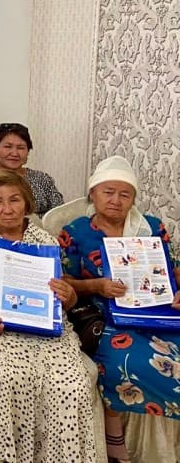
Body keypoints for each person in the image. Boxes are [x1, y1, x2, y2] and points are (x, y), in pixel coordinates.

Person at [0, 170, 96, 463]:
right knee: (7, 378)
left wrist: (69, 296)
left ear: (27, 202)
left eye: (14, 200)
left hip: (47, 328)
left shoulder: (46, 241)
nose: (7, 209)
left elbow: (65, 300)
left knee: (72, 384)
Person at [60, 156, 180, 457]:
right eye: (108, 192)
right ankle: (115, 442)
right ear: (93, 194)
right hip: (103, 313)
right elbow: (63, 280)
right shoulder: (75, 231)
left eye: (125, 194)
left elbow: (172, 271)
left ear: (133, 199)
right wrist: (96, 286)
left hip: (157, 311)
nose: (116, 200)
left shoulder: (151, 227)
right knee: (127, 359)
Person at [0, 123, 64, 216]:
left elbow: (59, 214)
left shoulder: (42, 178)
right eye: (8, 147)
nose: (14, 153)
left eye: (20, 148)